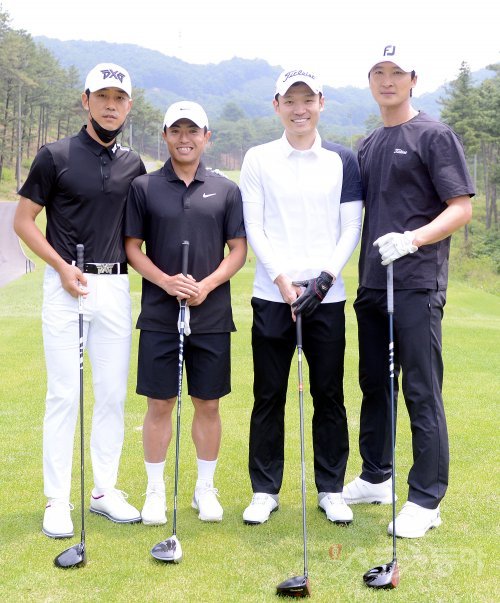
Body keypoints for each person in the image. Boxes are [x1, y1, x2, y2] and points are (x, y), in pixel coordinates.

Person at [343, 44, 474, 538]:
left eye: (396, 72)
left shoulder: (434, 135)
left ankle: (426, 498)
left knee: (420, 388)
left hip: (416, 283)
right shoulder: (368, 142)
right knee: (375, 384)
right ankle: (376, 476)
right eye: (378, 72)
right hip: (374, 282)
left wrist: (414, 239)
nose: (387, 80)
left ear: (413, 79)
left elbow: (460, 207)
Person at [14, 63, 146, 538]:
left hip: (115, 286)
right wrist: (61, 266)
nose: (111, 106)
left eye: (119, 99)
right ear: (86, 100)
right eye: (103, 97)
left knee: (111, 394)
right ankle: (57, 499)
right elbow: (24, 221)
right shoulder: (55, 155)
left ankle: (104, 491)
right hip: (66, 283)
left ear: (128, 106)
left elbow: (139, 232)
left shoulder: (134, 164)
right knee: (64, 393)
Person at [239, 68, 363, 525]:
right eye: (289, 101)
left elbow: (351, 225)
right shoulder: (258, 158)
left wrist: (324, 280)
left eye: (307, 100)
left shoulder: (342, 159)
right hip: (273, 295)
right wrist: (282, 281)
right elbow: (255, 226)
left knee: (329, 394)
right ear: (277, 106)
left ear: (321, 103)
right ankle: (264, 491)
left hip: (326, 297)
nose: (299, 109)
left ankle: (331, 489)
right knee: (268, 394)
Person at [124, 101, 247, 525]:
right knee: (160, 403)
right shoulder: (144, 187)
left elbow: (238, 249)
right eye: (175, 130)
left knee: (207, 403)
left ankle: (204, 489)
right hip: (160, 313)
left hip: (211, 315)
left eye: (193, 130)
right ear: (164, 136)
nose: (184, 138)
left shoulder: (226, 190)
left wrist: (206, 285)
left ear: (207, 137)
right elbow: (132, 247)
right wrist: (165, 281)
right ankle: (155, 492)